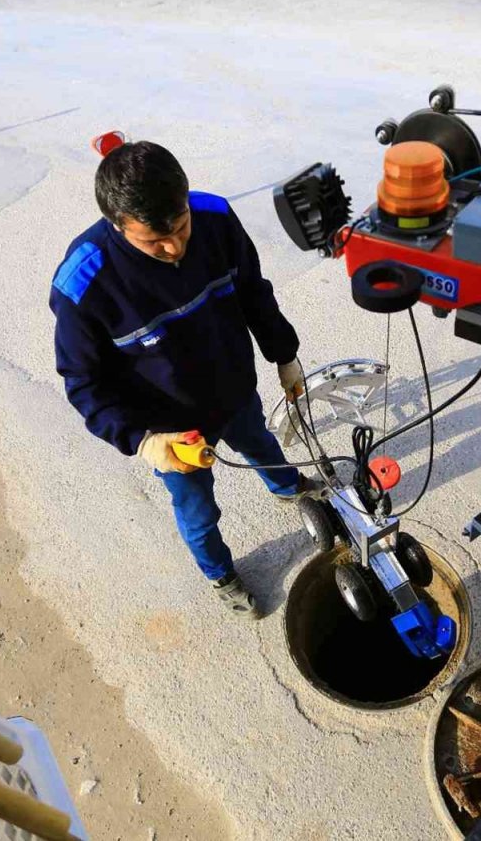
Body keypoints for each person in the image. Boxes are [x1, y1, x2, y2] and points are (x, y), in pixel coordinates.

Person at [50, 140, 317, 618]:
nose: (175, 247)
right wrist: (141, 439)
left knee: (260, 443)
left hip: (233, 388)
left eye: (179, 227)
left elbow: (254, 292)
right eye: (154, 240)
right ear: (118, 225)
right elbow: (82, 380)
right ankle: (220, 574)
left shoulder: (213, 217)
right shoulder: (83, 284)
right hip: (174, 430)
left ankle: (287, 488)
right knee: (198, 511)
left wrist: (285, 355)